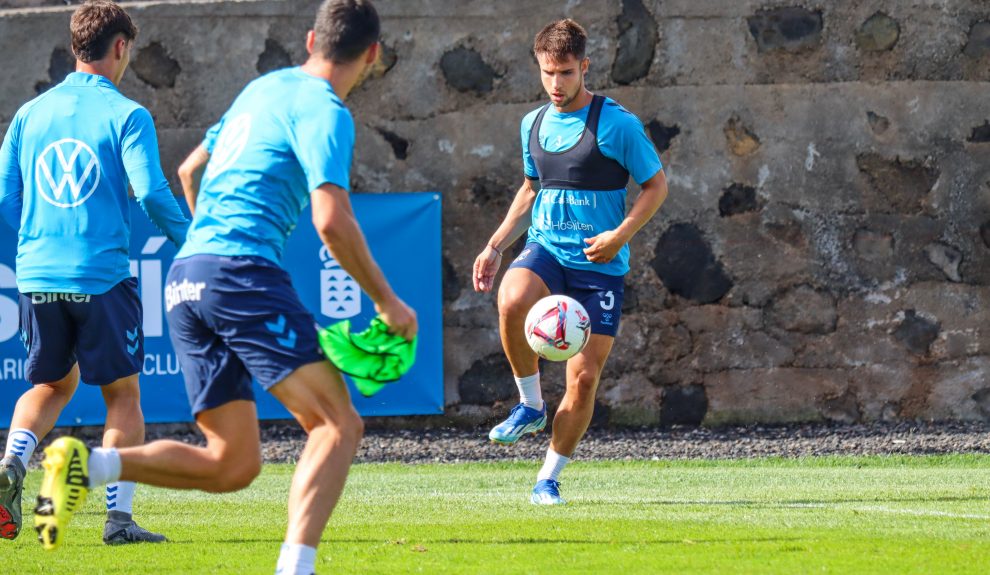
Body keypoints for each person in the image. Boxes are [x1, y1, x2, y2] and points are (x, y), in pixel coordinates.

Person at [35, 0, 416, 572]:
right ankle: (296, 567)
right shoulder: (327, 110)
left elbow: (191, 171)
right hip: (241, 274)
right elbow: (331, 219)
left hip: (187, 277)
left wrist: (207, 246)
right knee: (337, 424)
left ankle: (89, 465)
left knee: (232, 464)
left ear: (311, 39)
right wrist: (389, 302)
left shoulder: (262, 90)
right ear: (371, 54)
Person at [0, 0, 188, 544]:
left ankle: (12, 465)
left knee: (50, 384)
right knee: (123, 396)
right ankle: (118, 521)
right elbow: (151, 191)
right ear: (121, 47)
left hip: (37, 276)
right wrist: (193, 241)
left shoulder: (29, 114)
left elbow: (7, 197)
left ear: (75, 45)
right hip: (100, 276)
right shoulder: (128, 114)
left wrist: (41, 242)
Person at [472, 18, 668, 505]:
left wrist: (619, 234)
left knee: (581, 380)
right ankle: (530, 404)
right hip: (547, 249)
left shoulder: (617, 124)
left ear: (584, 67)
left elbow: (656, 187)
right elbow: (530, 190)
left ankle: (548, 478)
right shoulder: (532, 124)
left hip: (597, 266)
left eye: (564, 72)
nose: (555, 84)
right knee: (512, 297)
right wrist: (495, 246)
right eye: (546, 73)